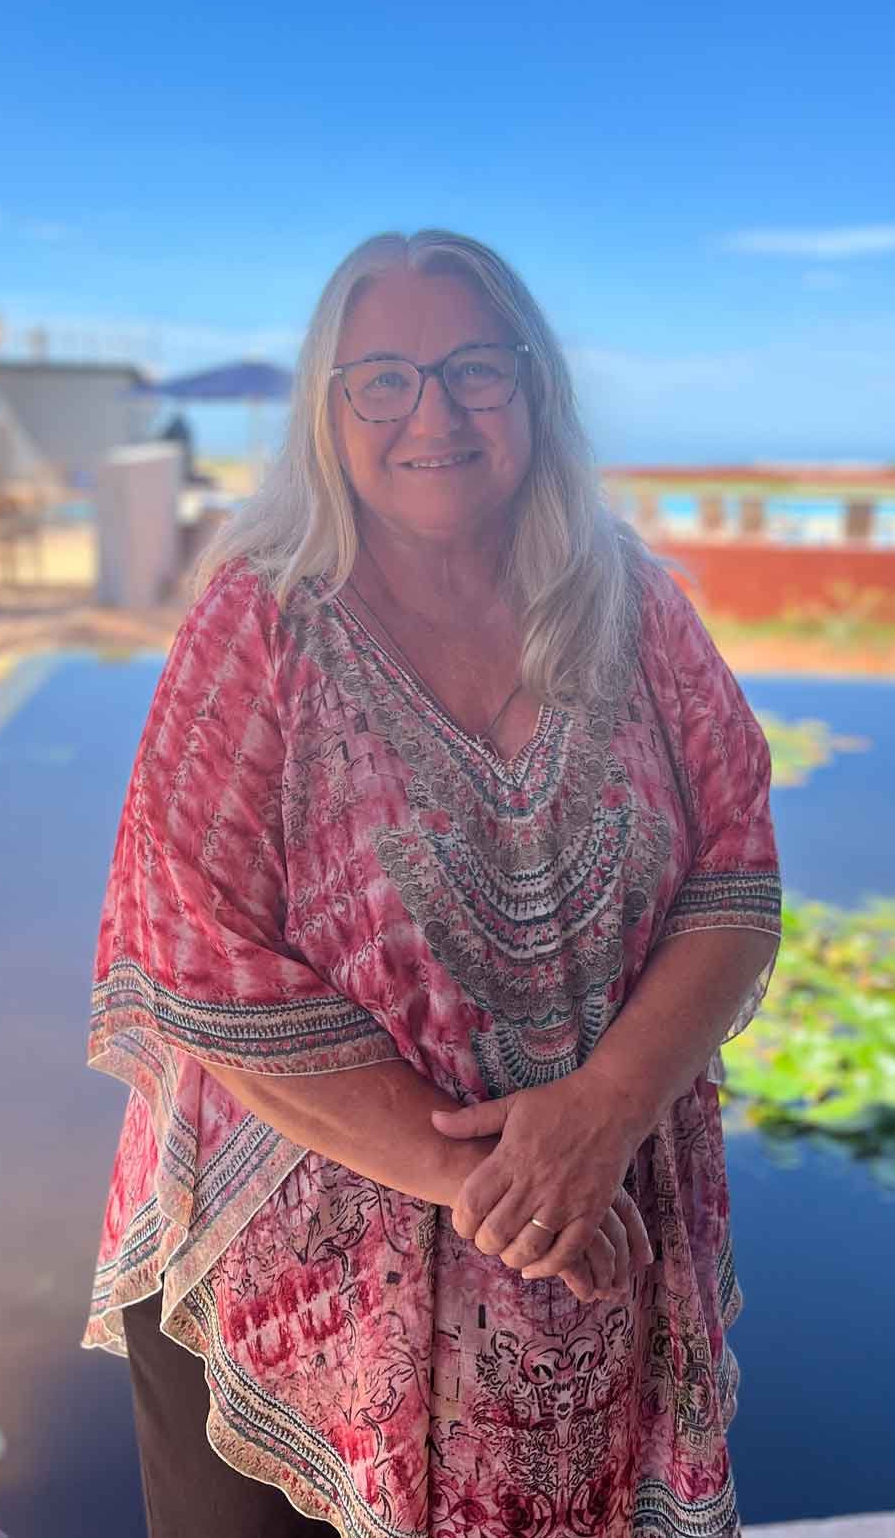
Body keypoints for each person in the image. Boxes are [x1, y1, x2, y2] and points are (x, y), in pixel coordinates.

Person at [82, 229, 782, 1538]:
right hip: (301, 1295)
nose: (433, 414)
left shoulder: (628, 605)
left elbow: (736, 873)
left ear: (535, 389)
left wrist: (604, 1113)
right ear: (328, 412)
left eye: (473, 370)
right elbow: (197, 953)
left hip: (600, 1233)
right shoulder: (263, 615)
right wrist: (490, 1183)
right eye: (384, 380)